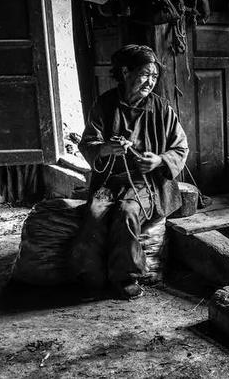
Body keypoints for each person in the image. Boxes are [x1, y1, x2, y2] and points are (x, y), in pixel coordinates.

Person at [71, 44, 188, 299]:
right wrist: (105, 148)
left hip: (145, 183)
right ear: (125, 72)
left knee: (127, 212)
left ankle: (125, 277)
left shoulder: (162, 109)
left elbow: (181, 147)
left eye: (154, 76)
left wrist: (158, 160)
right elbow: (88, 142)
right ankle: (91, 277)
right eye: (145, 74)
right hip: (109, 181)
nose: (150, 82)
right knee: (95, 213)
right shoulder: (105, 104)